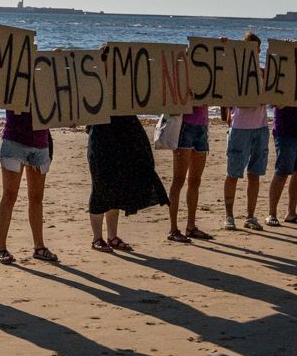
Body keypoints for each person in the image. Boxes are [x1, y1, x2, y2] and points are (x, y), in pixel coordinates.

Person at [85, 114, 168, 252]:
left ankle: (112, 237)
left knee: (116, 183)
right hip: (101, 133)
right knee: (100, 184)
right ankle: (97, 238)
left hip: (124, 132)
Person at [0, 108, 56, 265]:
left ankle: (39, 247)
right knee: (9, 195)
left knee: (36, 197)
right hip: (14, 140)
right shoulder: (15, 83)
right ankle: (1, 248)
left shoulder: (46, 83)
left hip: (40, 142)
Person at [167, 103, 213, 242]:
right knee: (179, 180)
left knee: (195, 180)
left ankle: (190, 226)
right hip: (184, 125)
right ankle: (173, 229)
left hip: (202, 125)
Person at [220, 100, 269, 232]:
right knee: (232, 173)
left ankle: (250, 217)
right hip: (239, 126)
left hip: (261, 126)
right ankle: (229, 216)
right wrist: (228, 109)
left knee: (255, 174)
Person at [267, 103, 297, 225]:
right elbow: (272, 98)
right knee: (282, 172)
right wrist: (278, 102)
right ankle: (271, 214)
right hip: (285, 130)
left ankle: (291, 213)